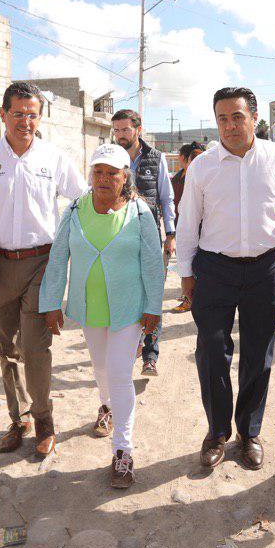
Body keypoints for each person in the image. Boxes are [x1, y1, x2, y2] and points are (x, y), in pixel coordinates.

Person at [176, 86, 275, 470]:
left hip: (265, 269)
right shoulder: (203, 167)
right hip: (215, 270)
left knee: (258, 353)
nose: (230, 126)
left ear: (254, 119)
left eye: (237, 117)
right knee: (212, 353)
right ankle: (217, 432)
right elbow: (188, 222)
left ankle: (249, 432)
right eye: (222, 118)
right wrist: (186, 274)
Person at [0, 81, 87, 456]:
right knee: (6, 349)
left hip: (40, 265)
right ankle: (19, 420)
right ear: (3, 115)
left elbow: (80, 200)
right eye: (18, 114)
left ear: (39, 117)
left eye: (32, 115)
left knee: (35, 345)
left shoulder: (54, 157)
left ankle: (44, 419)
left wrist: (69, 249)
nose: (25, 122)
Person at [39, 144, 164, 488]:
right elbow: (58, 256)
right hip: (90, 306)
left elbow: (153, 262)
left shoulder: (139, 212)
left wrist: (154, 307)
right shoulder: (76, 209)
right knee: (100, 367)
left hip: (128, 308)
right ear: (90, 174)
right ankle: (106, 405)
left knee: (121, 372)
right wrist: (51, 301)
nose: (104, 178)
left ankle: (123, 450)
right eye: (98, 172)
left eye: (112, 172)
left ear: (126, 176)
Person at [111, 109, 176, 377]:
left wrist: (170, 235)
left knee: (152, 295)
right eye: (116, 131)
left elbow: (166, 198)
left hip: (151, 238)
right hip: (118, 238)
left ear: (138, 129)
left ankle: (150, 355)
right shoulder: (110, 158)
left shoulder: (156, 158)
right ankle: (128, 349)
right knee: (125, 295)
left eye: (125, 130)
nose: (120, 136)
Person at [169, 140, 205, 314]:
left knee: (193, 263)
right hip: (181, 222)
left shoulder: (192, 177)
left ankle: (189, 299)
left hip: (195, 226)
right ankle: (188, 295)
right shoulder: (180, 176)